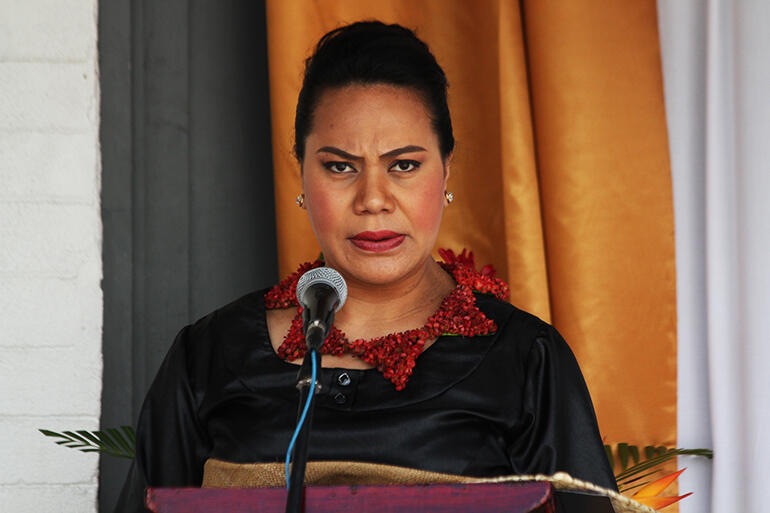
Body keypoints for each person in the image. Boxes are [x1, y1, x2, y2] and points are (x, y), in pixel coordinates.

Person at [115, 20, 616, 512]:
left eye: (403, 165)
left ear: (446, 171)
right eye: (339, 167)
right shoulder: (207, 357)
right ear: (302, 176)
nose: (373, 199)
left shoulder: (526, 361)